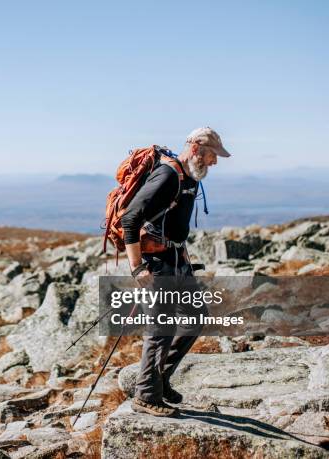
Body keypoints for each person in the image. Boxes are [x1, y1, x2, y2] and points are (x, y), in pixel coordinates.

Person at [120, 127, 231, 417]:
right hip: (157, 265)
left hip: (177, 260)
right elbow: (129, 218)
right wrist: (137, 268)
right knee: (161, 329)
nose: (215, 162)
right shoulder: (168, 175)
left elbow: (174, 223)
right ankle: (146, 395)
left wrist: (181, 253)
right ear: (195, 148)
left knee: (195, 316)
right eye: (212, 155)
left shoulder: (190, 177)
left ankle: (159, 380)